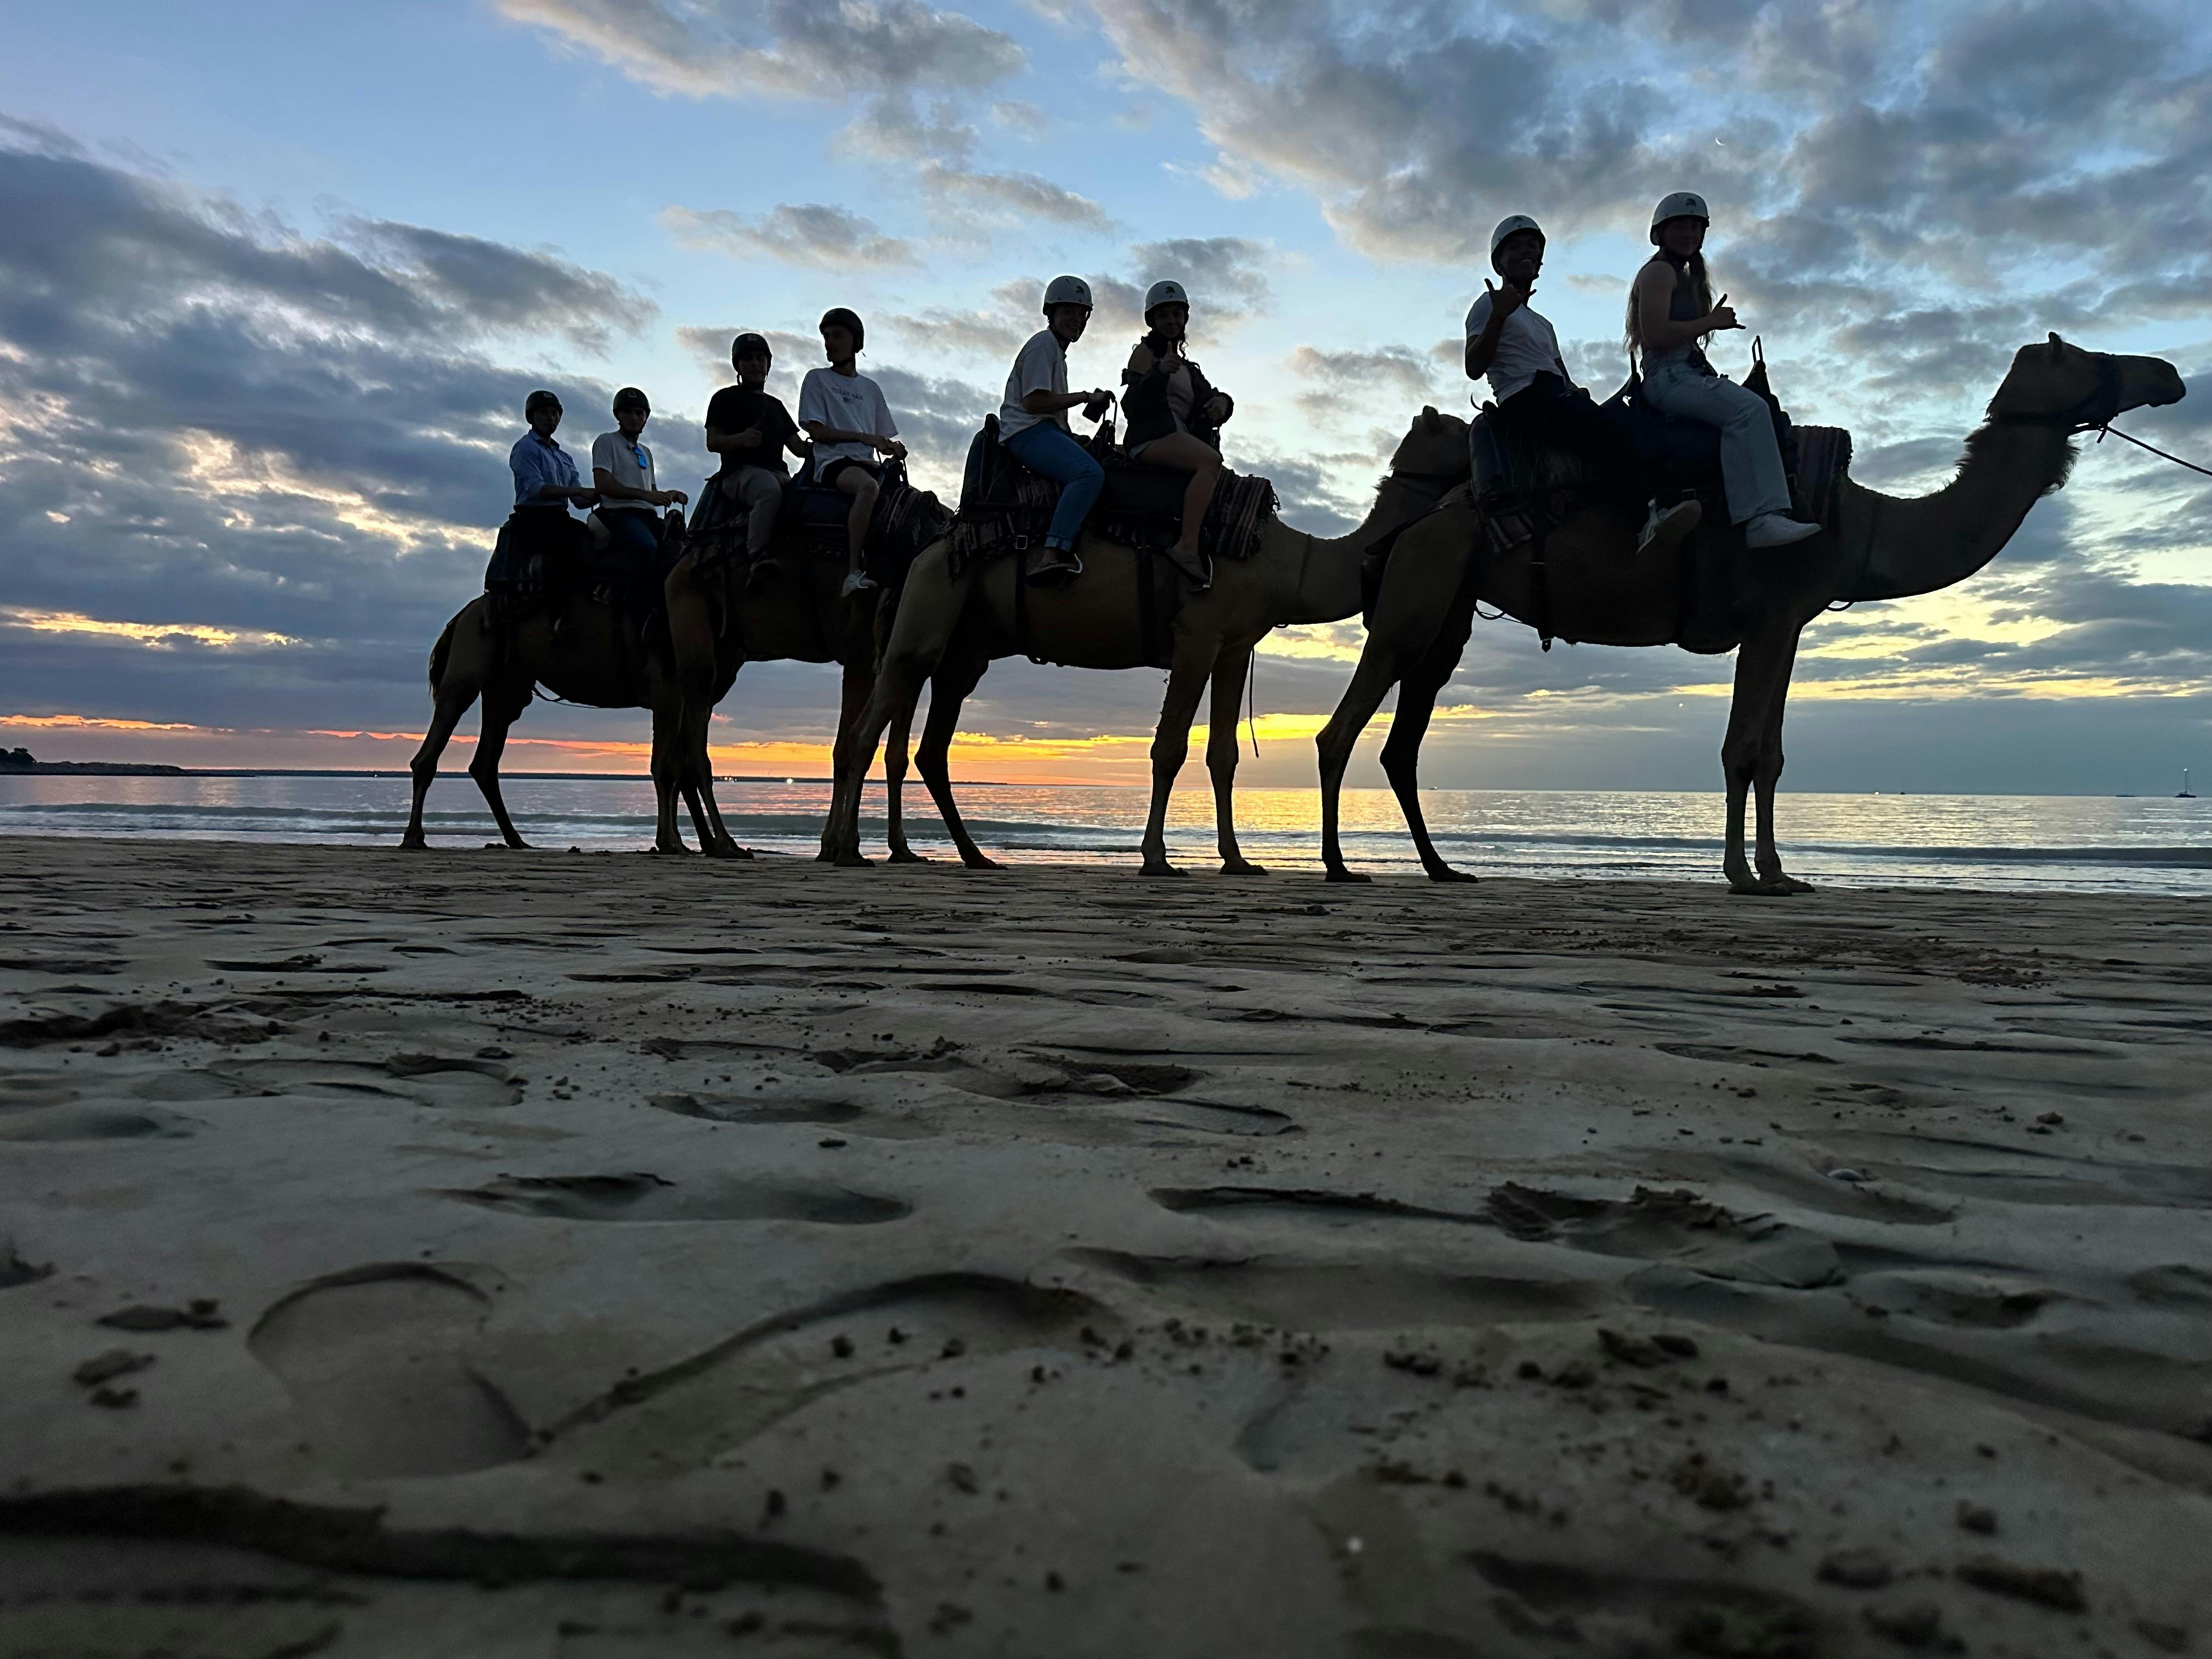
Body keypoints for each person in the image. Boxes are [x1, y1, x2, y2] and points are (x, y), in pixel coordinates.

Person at [1466, 215, 1699, 554]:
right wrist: (1499, 316)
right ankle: (1646, 517)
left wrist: (1578, 393)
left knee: (1627, 419)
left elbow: (1561, 375)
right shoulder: (1487, 305)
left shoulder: (1543, 325)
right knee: (1610, 434)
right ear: (1498, 263)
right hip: (1524, 398)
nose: (1526, 252)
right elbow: (1474, 367)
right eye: (1514, 247)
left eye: (1532, 246)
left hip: (1554, 393)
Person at [1628, 192, 1818, 550]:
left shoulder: (1684, 275)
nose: (1689, 234)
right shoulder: (1659, 272)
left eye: (1695, 227)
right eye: (1680, 226)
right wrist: (1709, 321)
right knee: (1749, 410)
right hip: (1669, 376)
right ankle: (1761, 518)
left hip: (1685, 373)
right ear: (1660, 234)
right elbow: (1655, 334)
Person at [1000, 275, 1115, 583]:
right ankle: (1053, 552)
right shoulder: (1042, 346)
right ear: (1050, 313)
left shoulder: (1055, 352)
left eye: (1082, 314)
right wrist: (1085, 397)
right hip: (1028, 432)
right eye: (1068, 312)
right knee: (1089, 474)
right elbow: (1035, 402)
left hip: (1043, 431)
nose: (1077, 319)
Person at [1121, 280, 1232, 588]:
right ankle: (1186, 547)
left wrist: (1223, 403)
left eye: (1176, 314)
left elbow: (1212, 395)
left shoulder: (1189, 369)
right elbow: (1133, 405)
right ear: (1153, 321)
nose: (1171, 321)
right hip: (1151, 438)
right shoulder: (1145, 354)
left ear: (1185, 318)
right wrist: (1159, 373)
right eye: (1164, 316)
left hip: (1178, 439)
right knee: (1210, 463)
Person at [798, 307, 905, 599]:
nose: (830, 343)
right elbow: (817, 432)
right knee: (867, 488)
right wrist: (862, 437)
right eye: (826, 337)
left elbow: (880, 435)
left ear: (856, 342)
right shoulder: (817, 379)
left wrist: (893, 448)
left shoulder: (871, 388)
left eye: (837, 336)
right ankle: (853, 572)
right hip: (834, 463)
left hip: (868, 463)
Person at [704, 332, 808, 591]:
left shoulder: (776, 405)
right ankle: (757, 557)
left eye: (760, 358)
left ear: (768, 364)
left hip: (778, 473)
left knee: (806, 497)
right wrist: (740, 439)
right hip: (739, 473)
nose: (755, 364)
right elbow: (713, 442)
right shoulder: (724, 398)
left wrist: (831, 443)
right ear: (738, 366)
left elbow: (798, 449)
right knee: (768, 491)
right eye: (748, 359)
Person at [509, 388, 597, 517]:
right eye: (544, 412)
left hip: (561, 517)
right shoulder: (525, 447)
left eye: (555, 413)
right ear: (530, 417)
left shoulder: (565, 458)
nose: (550, 418)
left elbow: (579, 501)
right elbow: (537, 490)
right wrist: (579, 491)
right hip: (531, 518)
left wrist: (604, 493)